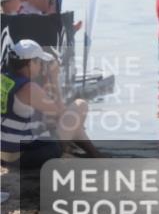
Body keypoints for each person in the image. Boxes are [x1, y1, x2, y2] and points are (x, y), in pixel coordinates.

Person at [0, 39, 99, 168]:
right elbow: (60, 113)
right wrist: (53, 78)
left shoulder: (4, 79)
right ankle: (88, 154)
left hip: (5, 152)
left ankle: (95, 154)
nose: (41, 66)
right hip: (22, 157)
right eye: (39, 62)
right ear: (30, 63)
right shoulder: (29, 88)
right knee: (80, 106)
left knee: (68, 122)